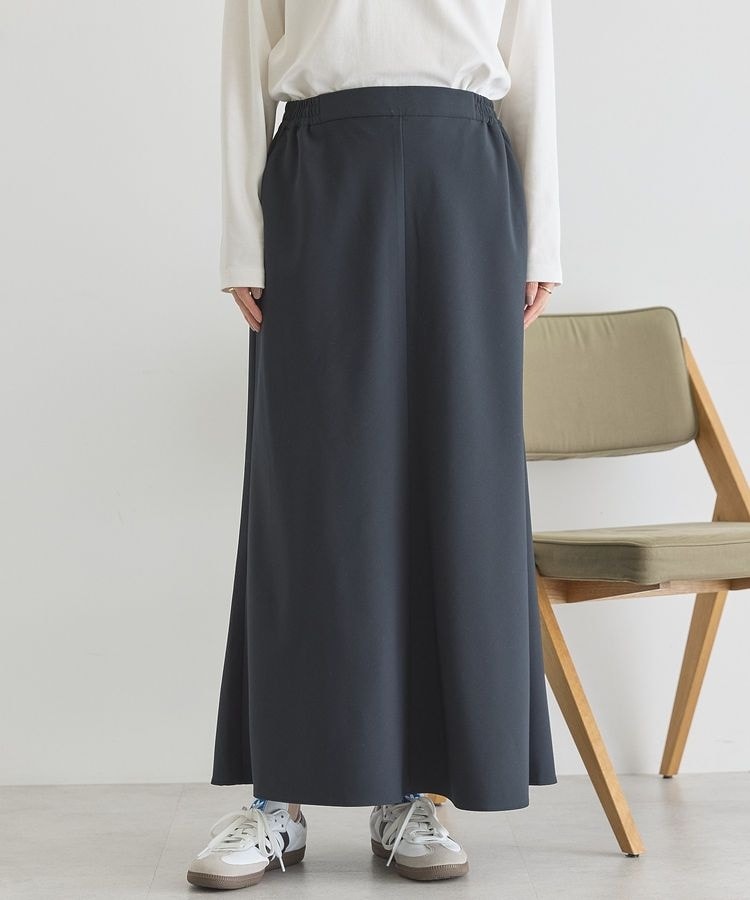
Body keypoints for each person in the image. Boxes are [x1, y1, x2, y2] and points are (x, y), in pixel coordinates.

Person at [187, 0, 562, 889]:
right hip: (320, 176)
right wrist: (242, 244)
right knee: (309, 495)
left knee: (456, 485)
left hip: (466, 183)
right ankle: (277, 798)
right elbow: (244, 68)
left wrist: (541, 239)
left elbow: (531, 68)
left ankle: (412, 793)